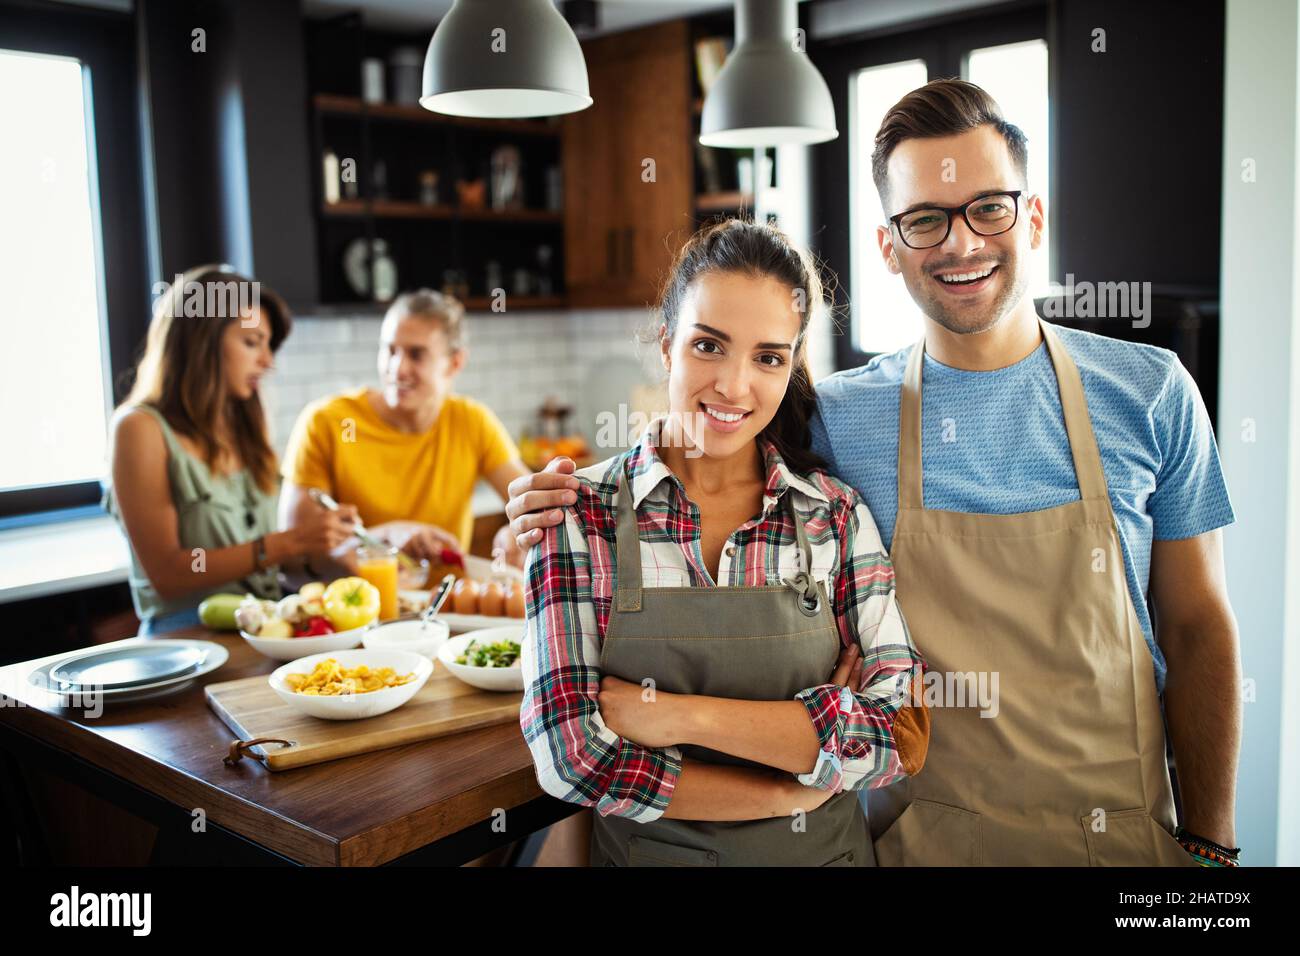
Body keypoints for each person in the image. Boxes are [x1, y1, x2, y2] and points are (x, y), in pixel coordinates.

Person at [508, 80, 1241, 867]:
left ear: (1032, 215)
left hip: (1124, 841)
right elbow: (705, 448)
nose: (960, 243)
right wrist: (547, 505)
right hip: (920, 846)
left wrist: (1212, 845)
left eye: (989, 207)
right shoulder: (836, 417)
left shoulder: (1152, 392)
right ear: (889, 246)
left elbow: (1198, 629)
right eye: (925, 218)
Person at [520, 219, 930, 867]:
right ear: (665, 345)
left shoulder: (835, 516)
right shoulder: (578, 518)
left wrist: (678, 718)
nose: (735, 386)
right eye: (709, 346)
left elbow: (897, 738)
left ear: (792, 364)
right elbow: (571, 758)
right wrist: (784, 787)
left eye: (768, 357)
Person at [106, 265, 357, 636]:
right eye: (252, 342)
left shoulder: (246, 428)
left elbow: (278, 563)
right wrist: (289, 542)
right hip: (187, 636)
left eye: (268, 344)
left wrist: (337, 543)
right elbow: (170, 573)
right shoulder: (139, 429)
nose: (268, 361)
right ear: (200, 341)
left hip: (265, 629)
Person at [279, 290, 527, 575]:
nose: (397, 368)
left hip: (450, 610)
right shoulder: (326, 423)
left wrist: (515, 531)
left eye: (416, 354)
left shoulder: (473, 422)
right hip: (361, 611)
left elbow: (530, 505)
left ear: (455, 363)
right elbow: (294, 557)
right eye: (390, 350)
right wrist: (385, 536)